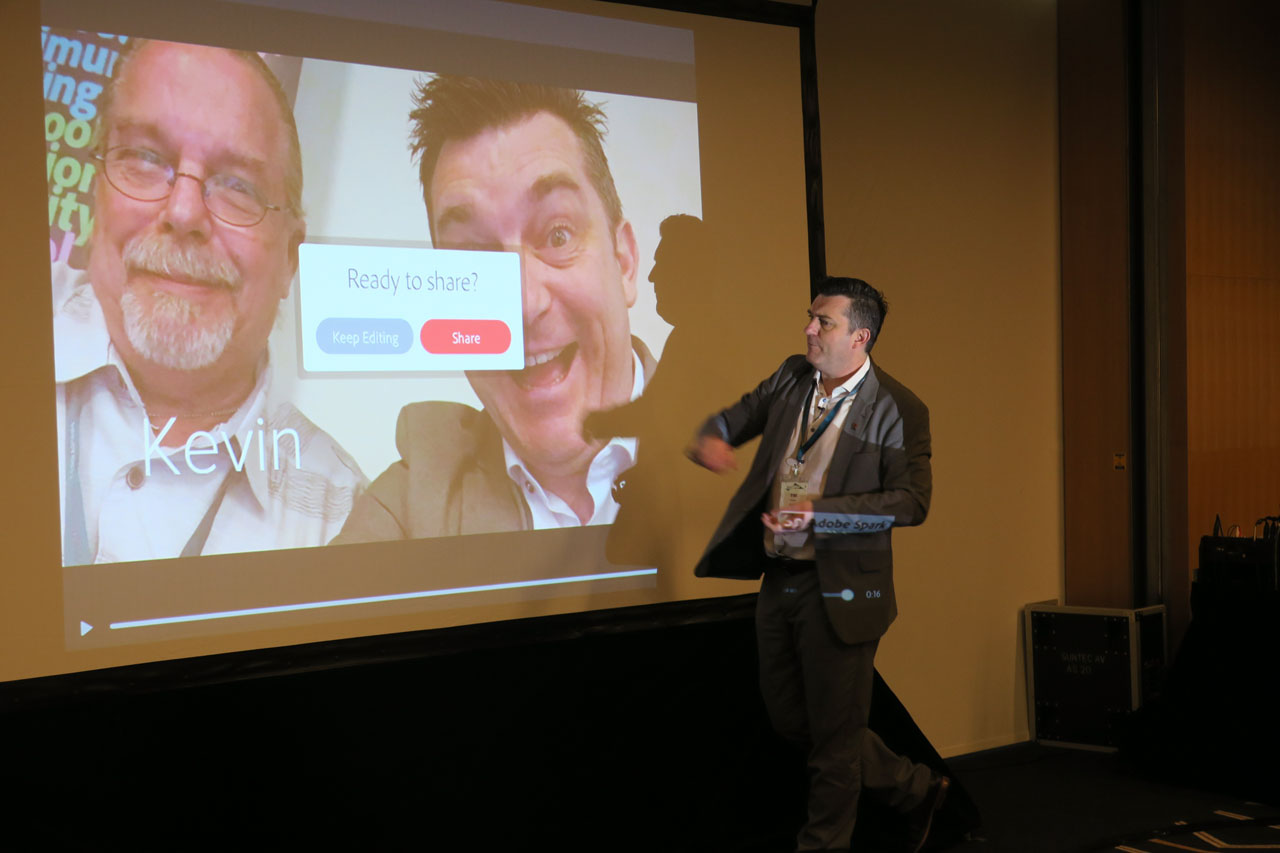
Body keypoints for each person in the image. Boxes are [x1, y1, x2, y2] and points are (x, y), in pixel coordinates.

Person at [54, 40, 366, 565]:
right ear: (95, 192)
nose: (183, 213)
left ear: (291, 257)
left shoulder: (346, 520)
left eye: (237, 186)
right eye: (145, 159)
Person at [688, 276, 947, 852]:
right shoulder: (790, 376)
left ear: (860, 337)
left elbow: (911, 502)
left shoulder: (898, 407)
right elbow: (734, 417)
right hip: (778, 579)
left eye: (823, 321)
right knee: (793, 721)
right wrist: (714, 437)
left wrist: (822, 515)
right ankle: (913, 789)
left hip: (843, 588)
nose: (808, 329)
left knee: (834, 742)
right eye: (810, 316)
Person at [335, 76, 652, 541]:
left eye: (557, 235)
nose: (522, 305)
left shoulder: (754, 448)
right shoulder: (402, 512)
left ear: (624, 262)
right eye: (474, 263)